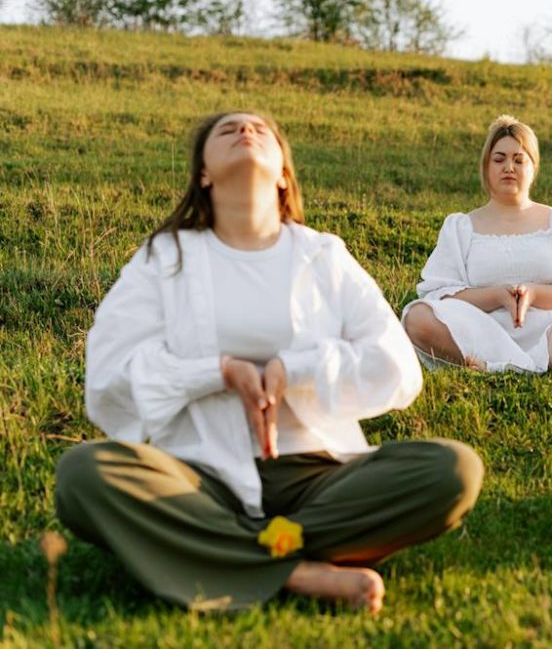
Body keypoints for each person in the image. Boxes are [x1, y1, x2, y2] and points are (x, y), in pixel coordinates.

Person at [54, 112, 484, 612]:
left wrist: (293, 370)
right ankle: (297, 571)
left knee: (452, 469)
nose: (246, 130)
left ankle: (219, 552)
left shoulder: (323, 255)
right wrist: (217, 373)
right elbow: (108, 379)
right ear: (203, 174)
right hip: (199, 477)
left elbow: (395, 366)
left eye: (261, 128)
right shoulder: (165, 258)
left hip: (318, 479)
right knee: (85, 473)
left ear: (283, 172)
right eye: (227, 129)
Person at [402, 115, 552, 373]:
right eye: (499, 159)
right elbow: (441, 294)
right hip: (481, 330)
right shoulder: (461, 226)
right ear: (486, 168)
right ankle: (497, 360)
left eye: (519, 160)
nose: (509, 167)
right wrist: (497, 296)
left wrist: (533, 293)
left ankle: (517, 364)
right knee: (417, 317)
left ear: (533, 167)